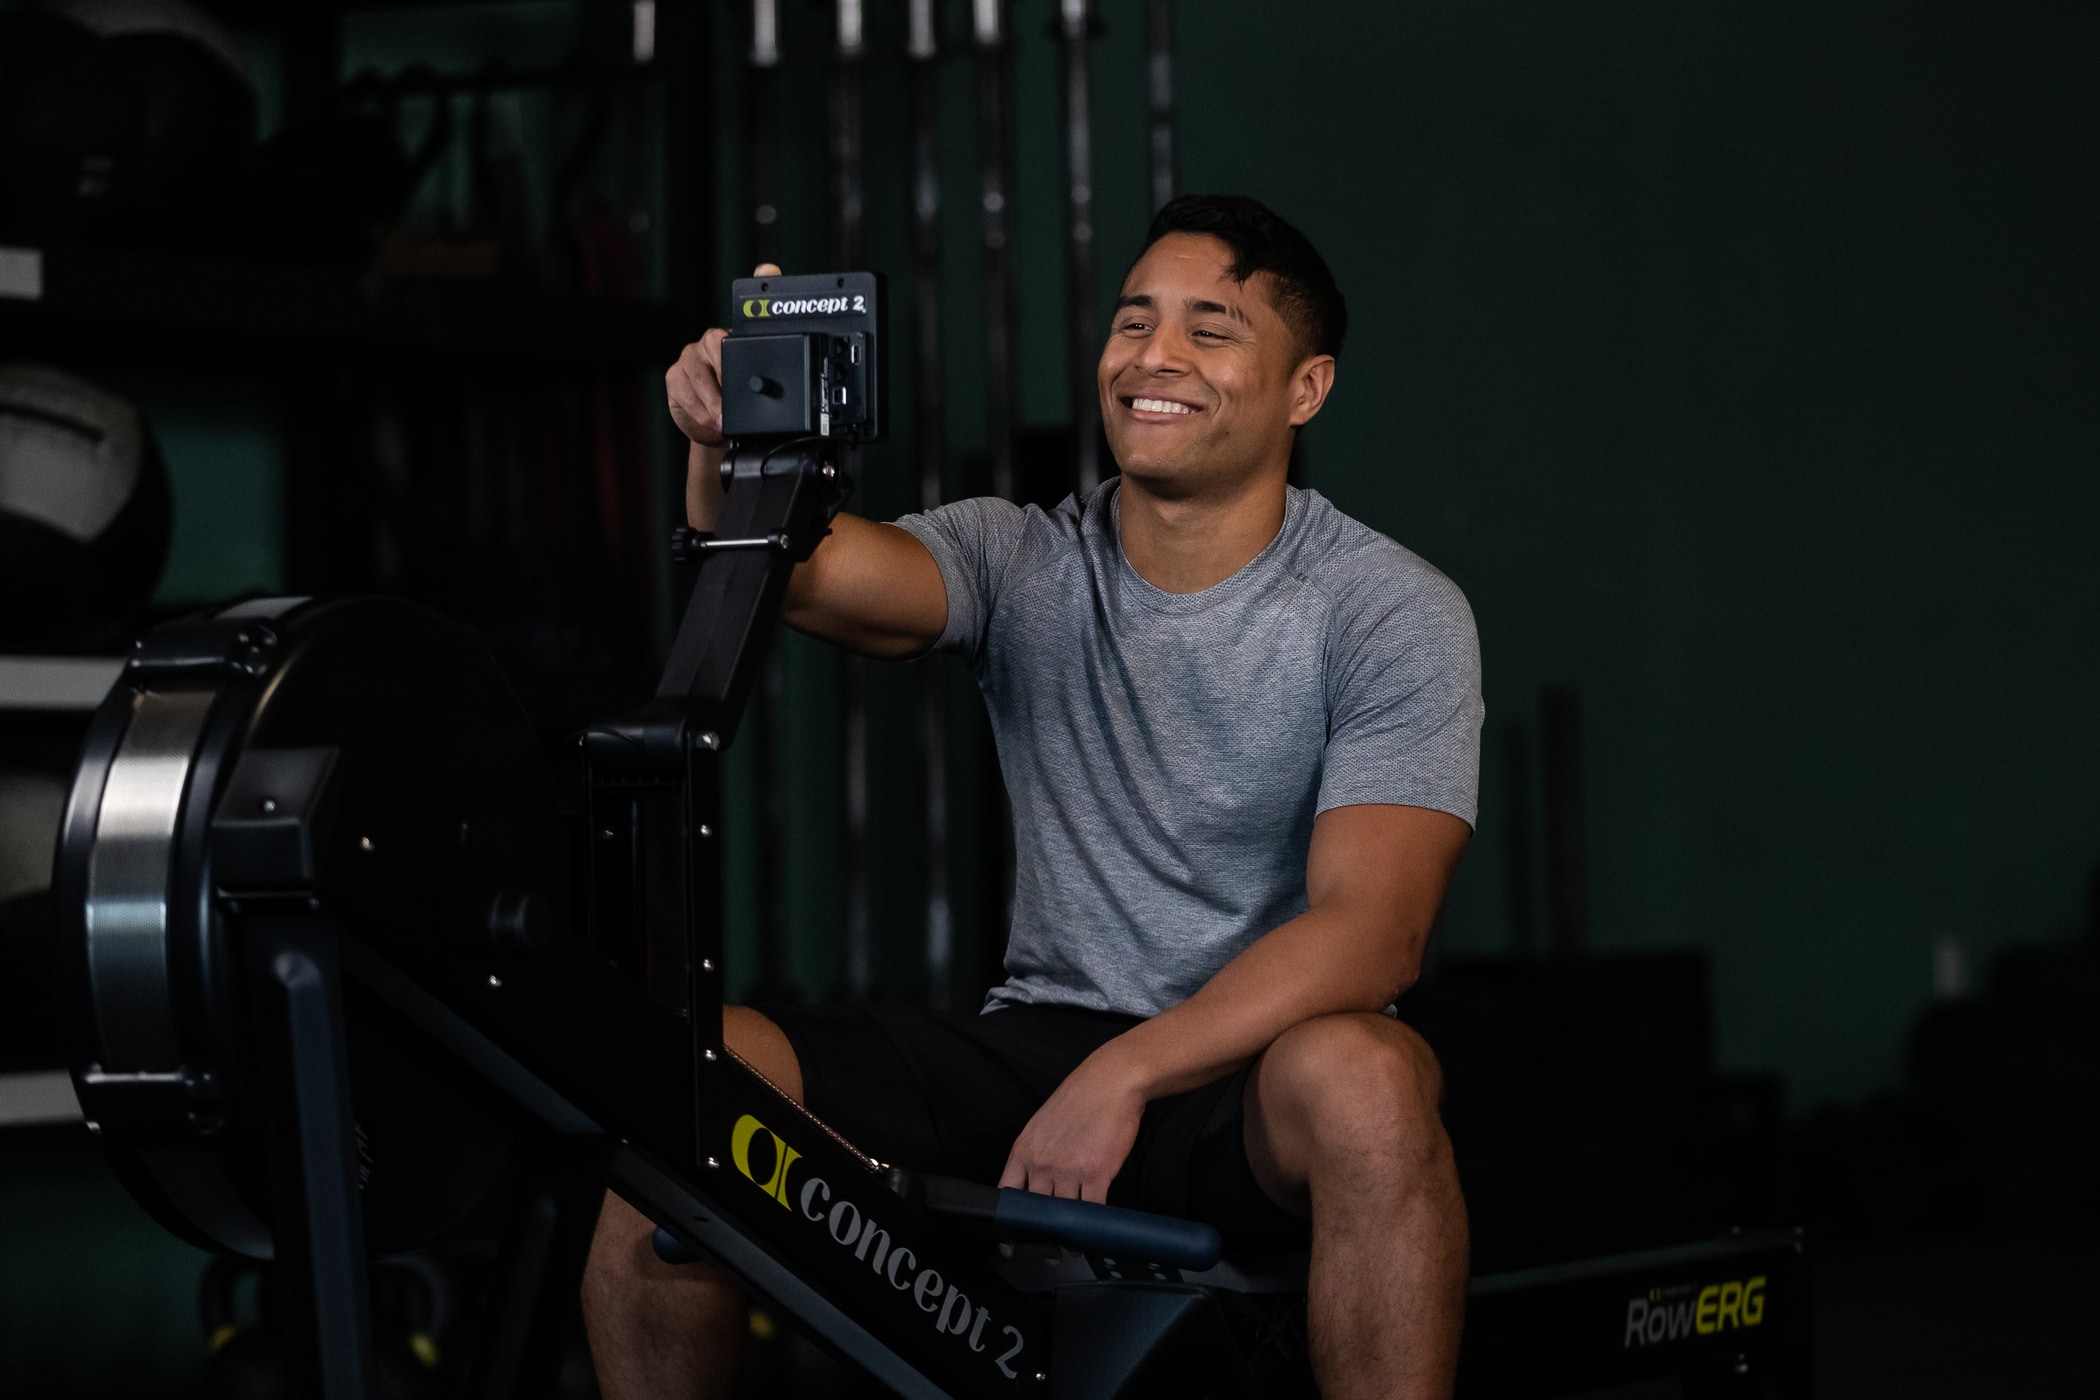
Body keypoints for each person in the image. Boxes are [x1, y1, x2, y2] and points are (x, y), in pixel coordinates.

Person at [582, 194, 1482, 1400]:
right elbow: (794, 580)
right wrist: (726, 448)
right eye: (1134, 321)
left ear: (1304, 389)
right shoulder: (1024, 554)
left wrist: (1128, 1073)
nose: (1154, 355)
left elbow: (1376, 932)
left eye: (1210, 329)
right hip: (1039, 1039)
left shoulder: (1386, 608)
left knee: (1370, 1076)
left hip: (1254, 1075)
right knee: (689, 1075)